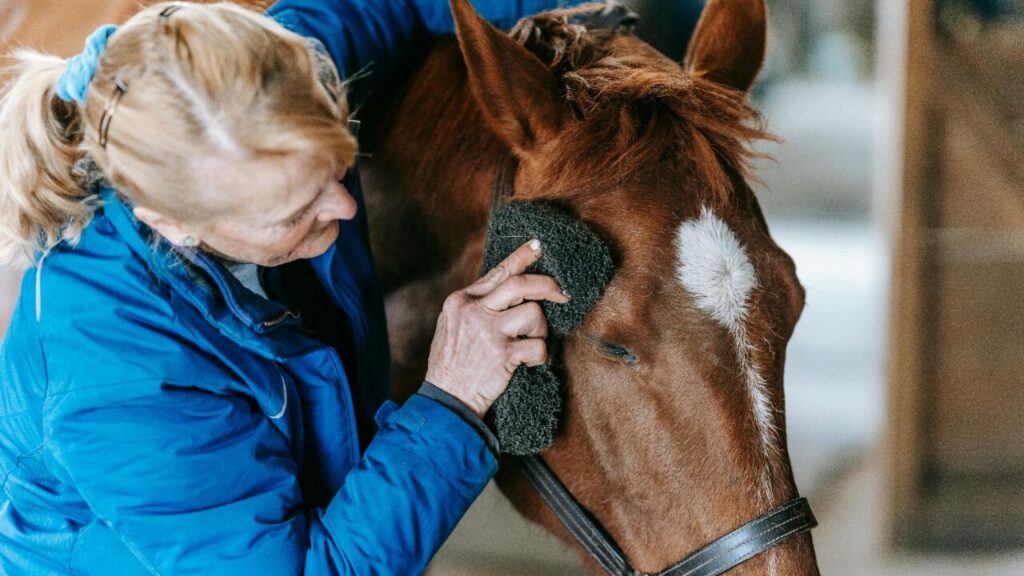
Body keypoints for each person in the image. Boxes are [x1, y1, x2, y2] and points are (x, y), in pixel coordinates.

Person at [0, 1, 580, 574]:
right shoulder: (116, 379)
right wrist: (453, 398)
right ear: (172, 223)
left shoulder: (278, 81)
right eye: (293, 212)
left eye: (338, 164)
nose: (345, 206)